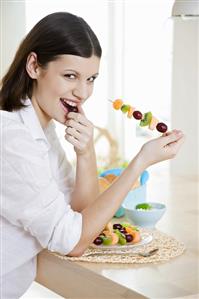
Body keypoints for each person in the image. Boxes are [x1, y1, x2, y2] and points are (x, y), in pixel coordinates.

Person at [0, 11, 185, 298]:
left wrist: (86, 152)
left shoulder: (42, 130)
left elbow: (81, 219)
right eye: (70, 76)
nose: (83, 92)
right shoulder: (12, 138)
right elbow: (73, 242)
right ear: (34, 66)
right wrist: (140, 163)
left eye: (91, 79)